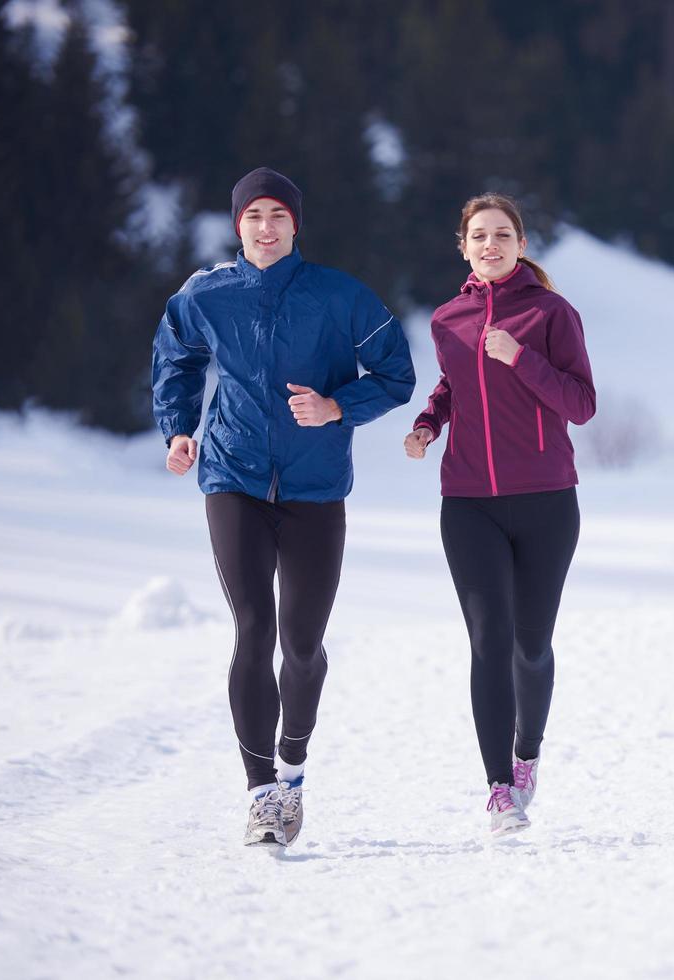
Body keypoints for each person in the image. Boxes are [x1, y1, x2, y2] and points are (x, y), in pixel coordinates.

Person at [152, 167, 415, 846]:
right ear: (236, 225)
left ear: (295, 224)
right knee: (253, 628)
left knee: (301, 645)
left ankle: (293, 762)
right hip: (232, 476)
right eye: (252, 216)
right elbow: (176, 361)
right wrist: (179, 429)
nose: (265, 228)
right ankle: (261, 790)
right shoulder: (206, 295)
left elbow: (396, 375)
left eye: (277, 215)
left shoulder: (339, 295)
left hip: (315, 488)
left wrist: (336, 408)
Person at [404, 193, 595, 835]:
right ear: (463, 246)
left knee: (530, 645)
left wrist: (522, 357)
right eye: (479, 235)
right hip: (467, 503)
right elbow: (452, 386)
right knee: (488, 641)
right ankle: (497, 789)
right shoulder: (447, 319)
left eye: (503, 235)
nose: (491, 245)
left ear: (521, 244)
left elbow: (582, 404)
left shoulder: (550, 313)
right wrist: (429, 424)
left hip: (546, 501)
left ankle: (526, 754)